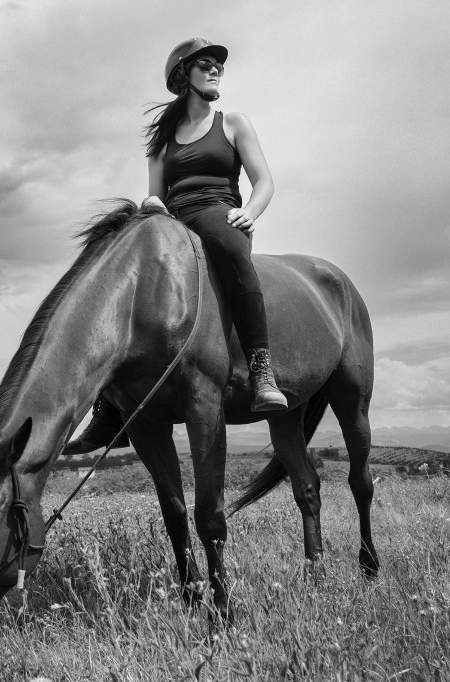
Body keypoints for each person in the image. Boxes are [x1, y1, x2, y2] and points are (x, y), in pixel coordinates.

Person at [65, 38, 288, 455]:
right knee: (118, 272)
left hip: (218, 213)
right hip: (172, 220)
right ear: (182, 75)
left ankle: (261, 370)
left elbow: (265, 181)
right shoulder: (160, 143)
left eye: (218, 64)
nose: (216, 69)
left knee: (229, 249)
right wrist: (152, 208)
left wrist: (251, 212)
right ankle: (108, 407)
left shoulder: (233, 122)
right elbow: (155, 196)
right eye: (205, 63)